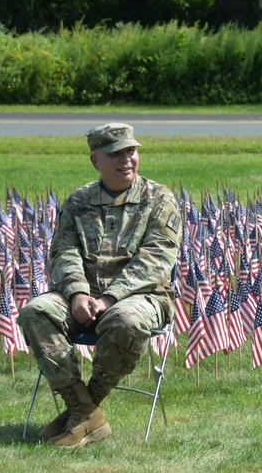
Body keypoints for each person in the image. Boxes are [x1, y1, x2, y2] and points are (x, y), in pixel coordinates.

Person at [18, 123, 182, 447]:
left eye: (130, 151)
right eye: (115, 154)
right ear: (96, 160)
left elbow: (156, 259)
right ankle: (84, 412)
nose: (126, 160)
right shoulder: (79, 201)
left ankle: (83, 410)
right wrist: (78, 292)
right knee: (35, 312)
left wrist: (108, 299)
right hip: (82, 294)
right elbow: (64, 250)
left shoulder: (159, 199)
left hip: (140, 296)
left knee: (127, 321)